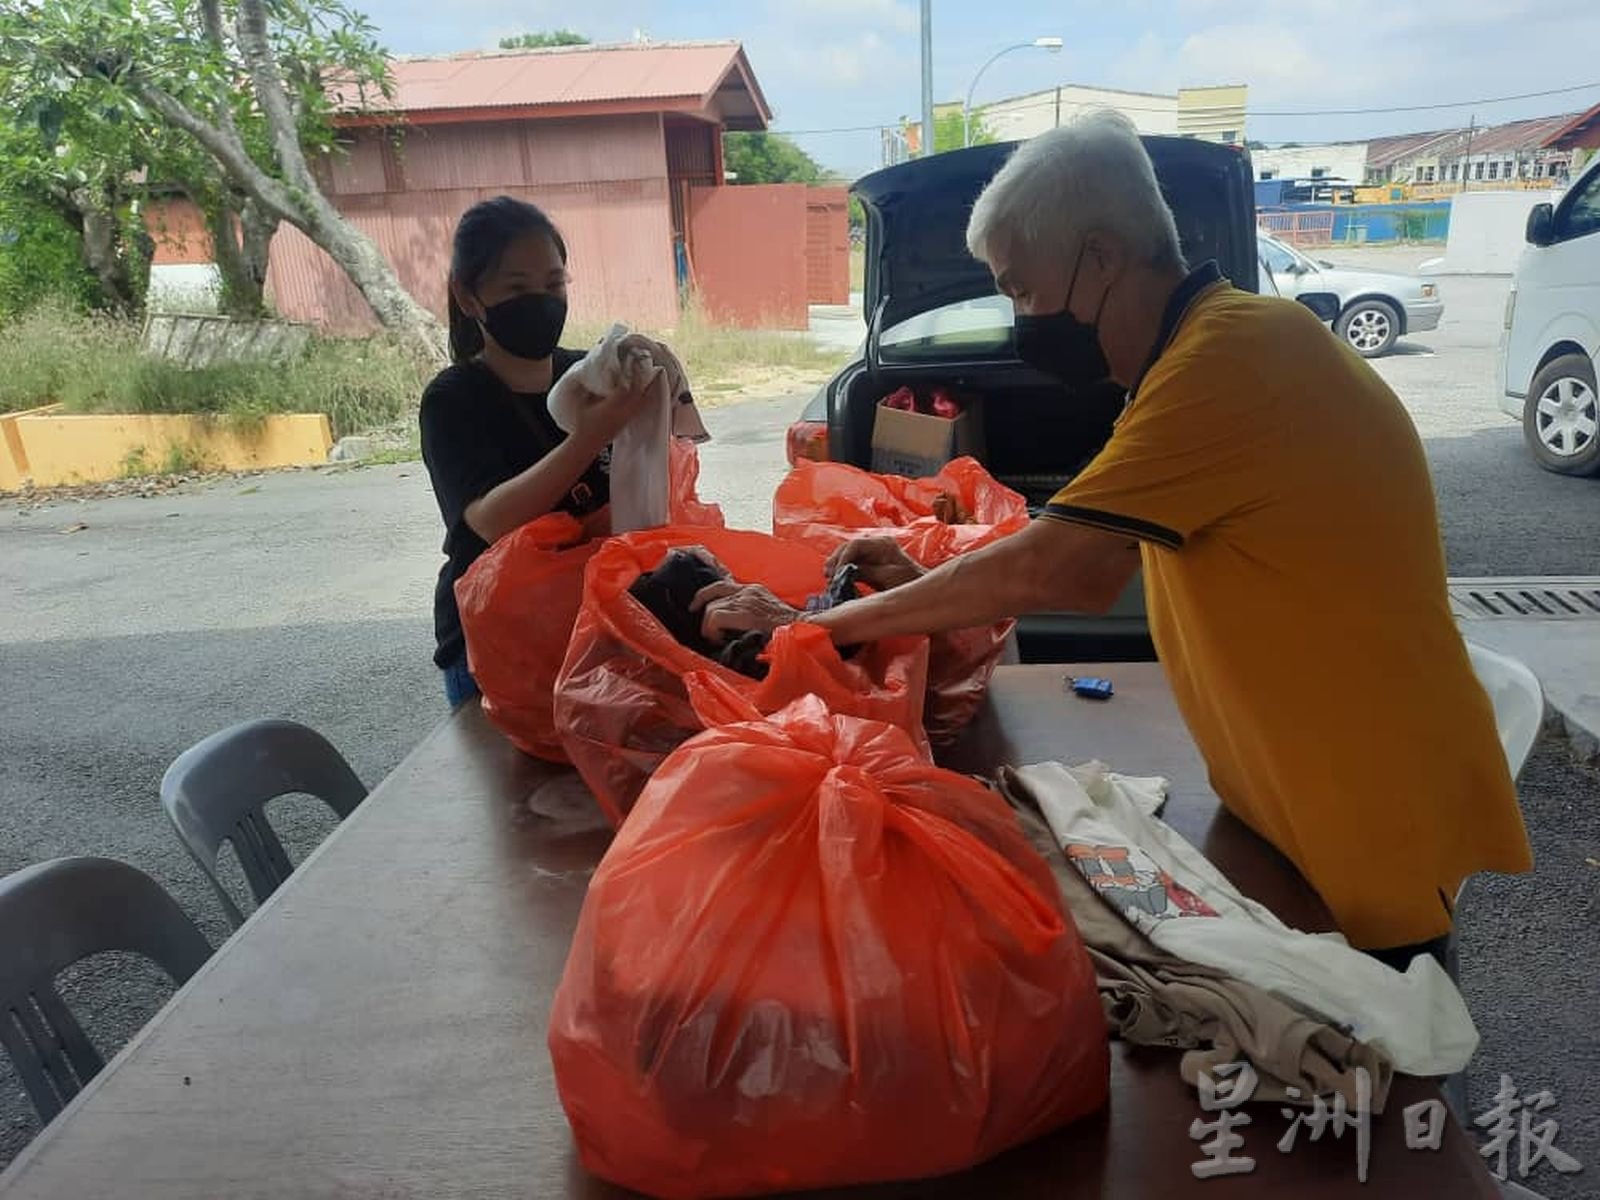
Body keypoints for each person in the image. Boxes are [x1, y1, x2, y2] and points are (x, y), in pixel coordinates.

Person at [696, 111, 1533, 969]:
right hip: (1291, 798)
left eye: (1022, 288)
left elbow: (1065, 568)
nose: (1021, 315)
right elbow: (1084, 543)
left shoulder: (1237, 359)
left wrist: (809, 625)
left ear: (1099, 256)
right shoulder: (1199, 355)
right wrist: (921, 574)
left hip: (1368, 817)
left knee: (1380, 1082)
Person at [421, 196, 658, 707]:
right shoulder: (455, 398)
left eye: (553, 285)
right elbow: (491, 520)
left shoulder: (592, 378)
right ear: (468, 297)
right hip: (495, 641)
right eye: (517, 288)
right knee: (512, 784)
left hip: (592, 624)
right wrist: (590, 436)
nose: (541, 301)